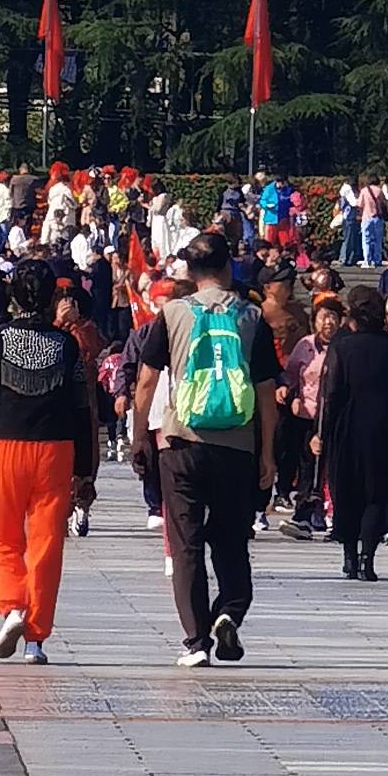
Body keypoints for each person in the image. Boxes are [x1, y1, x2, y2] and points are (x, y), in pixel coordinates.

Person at [132, 229, 281, 666]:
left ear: (191, 271)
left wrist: (141, 434)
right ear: (227, 268)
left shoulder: (173, 313)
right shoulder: (251, 317)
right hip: (237, 446)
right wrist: (267, 451)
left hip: (182, 442)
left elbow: (145, 382)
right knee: (233, 540)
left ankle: (196, 641)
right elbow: (267, 392)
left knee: (186, 544)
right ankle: (230, 610)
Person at [0, 258, 100, 659]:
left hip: (5, 447)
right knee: (47, 542)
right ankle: (36, 639)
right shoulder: (67, 345)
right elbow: (81, 409)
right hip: (56, 451)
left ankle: (13, 607)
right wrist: (84, 469)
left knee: (4, 536)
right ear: (50, 298)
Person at [320, 280, 388, 583]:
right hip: (386, 425)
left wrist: (325, 434)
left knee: (348, 491)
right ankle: (368, 558)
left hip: (348, 425)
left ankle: (350, 556)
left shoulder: (342, 348)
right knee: (375, 494)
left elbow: (332, 394)